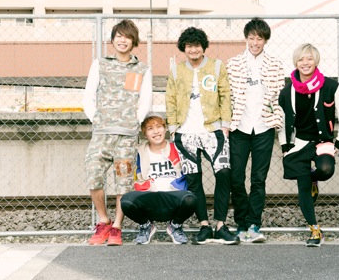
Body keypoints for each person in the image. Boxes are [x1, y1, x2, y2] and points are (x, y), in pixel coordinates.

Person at [165, 27, 240, 245]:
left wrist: (225, 124)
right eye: (189, 46)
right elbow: (170, 98)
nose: (193, 50)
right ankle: (204, 225)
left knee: (223, 172)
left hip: (213, 130)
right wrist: (173, 127)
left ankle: (220, 225)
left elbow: (225, 95)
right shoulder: (177, 70)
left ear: (203, 46)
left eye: (197, 45)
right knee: (193, 178)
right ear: (184, 48)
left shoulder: (216, 66)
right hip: (185, 133)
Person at [82, 19, 152, 246]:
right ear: (113, 40)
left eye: (127, 37)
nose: (123, 40)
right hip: (101, 133)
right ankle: (103, 221)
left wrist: (134, 122)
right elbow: (88, 97)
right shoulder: (100, 64)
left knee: (124, 181)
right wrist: (97, 119)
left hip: (127, 136)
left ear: (134, 41)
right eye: (119, 36)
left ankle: (117, 227)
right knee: (94, 176)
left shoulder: (142, 69)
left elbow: (145, 101)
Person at [278, 43, 339, 247]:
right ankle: (314, 229)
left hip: (322, 142)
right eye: (301, 59)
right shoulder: (287, 92)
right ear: (296, 62)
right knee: (302, 185)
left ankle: (314, 179)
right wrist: (285, 147)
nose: (305, 63)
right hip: (299, 143)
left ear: (316, 61)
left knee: (326, 169)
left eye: (309, 58)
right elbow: (282, 123)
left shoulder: (330, 86)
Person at [227, 18, 284, 243]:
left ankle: (253, 224)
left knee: (258, 179)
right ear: (246, 38)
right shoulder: (233, 63)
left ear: (265, 40)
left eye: (259, 38)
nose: (255, 42)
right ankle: (241, 223)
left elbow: (278, 96)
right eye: (251, 38)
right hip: (239, 126)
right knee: (236, 178)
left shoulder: (275, 64)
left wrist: (276, 120)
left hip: (263, 126)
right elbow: (227, 96)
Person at [120, 114, 197, 244]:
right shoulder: (140, 151)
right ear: (145, 134)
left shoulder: (177, 147)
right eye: (150, 128)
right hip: (150, 195)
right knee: (126, 201)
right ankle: (146, 226)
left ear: (165, 129)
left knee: (191, 199)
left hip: (173, 195)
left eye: (159, 126)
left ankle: (175, 226)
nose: (156, 131)